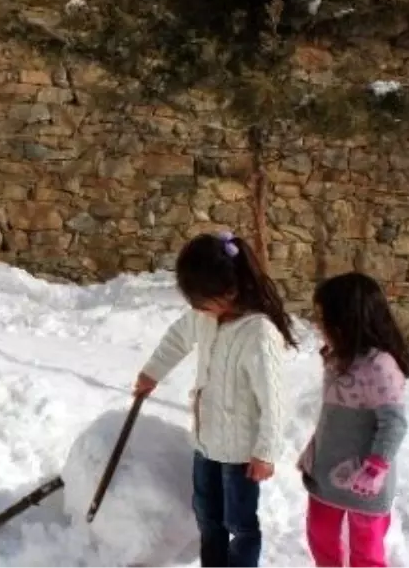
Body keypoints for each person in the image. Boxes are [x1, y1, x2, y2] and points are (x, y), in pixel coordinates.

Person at [133, 230, 296, 568]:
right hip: (206, 445)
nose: (195, 309)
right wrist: (152, 373)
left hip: (240, 457)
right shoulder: (206, 318)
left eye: (200, 301)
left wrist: (265, 452)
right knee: (208, 519)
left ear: (230, 292)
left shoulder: (258, 333)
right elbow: (177, 339)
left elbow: (274, 400)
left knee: (240, 527)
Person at [298, 272, 409, 568]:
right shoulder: (338, 357)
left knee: (366, 551)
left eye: (323, 317)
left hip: (365, 480)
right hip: (327, 474)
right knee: (320, 536)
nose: (318, 325)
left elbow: (394, 422)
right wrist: (314, 451)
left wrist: (376, 466)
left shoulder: (380, 365)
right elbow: (332, 417)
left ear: (346, 321)